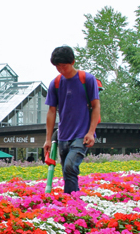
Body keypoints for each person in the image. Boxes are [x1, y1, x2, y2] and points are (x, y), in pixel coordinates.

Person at [42, 45, 100, 194]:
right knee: (67, 173)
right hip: (63, 136)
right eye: (58, 67)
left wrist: (91, 132)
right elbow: (51, 111)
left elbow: (96, 106)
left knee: (69, 167)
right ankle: (73, 203)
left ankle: (72, 202)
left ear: (73, 61)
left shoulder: (87, 79)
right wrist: (48, 139)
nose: (61, 70)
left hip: (82, 134)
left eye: (64, 66)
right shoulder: (55, 83)